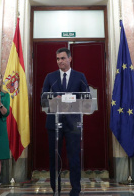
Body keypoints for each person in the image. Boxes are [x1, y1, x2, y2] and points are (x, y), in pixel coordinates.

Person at [42, 48, 89, 196]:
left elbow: (87, 100)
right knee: (54, 157)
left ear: (70, 59)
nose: (60, 61)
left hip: (73, 123)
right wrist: (52, 100)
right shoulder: (50, 77)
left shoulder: (80, 76)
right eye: (57, 59)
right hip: (53, 123)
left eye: (62, 58)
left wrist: (66, 98)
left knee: (74, 157)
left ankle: (75, 189)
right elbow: (43, 100)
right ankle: (56, 188)